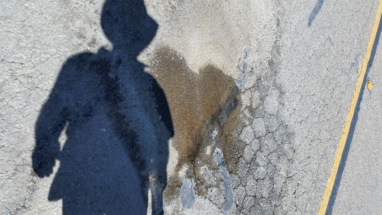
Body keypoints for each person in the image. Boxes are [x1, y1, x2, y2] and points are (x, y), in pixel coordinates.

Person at [32, 0, 173, 214]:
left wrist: (45, 148)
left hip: (93, 188)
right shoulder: (149, 86)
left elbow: (53, 112)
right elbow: (159, 152)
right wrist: (158, 204)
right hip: (120, 190)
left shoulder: (79, 67)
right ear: (139, 37)